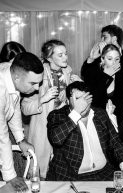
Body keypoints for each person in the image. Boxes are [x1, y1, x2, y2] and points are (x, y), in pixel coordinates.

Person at [0, 52, 43, 192]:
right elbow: (0, 137)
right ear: (17, 77)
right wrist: (10, 177)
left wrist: (20, 139)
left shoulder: (11, 71)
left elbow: (14, 108)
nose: (37, 88)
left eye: (39, 82)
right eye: (33, 83)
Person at [46, 81, 123, 182]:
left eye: (86, 98)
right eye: (77, 99)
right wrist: (76, 112)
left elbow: (115, 142)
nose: (83, 103)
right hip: (71, 177)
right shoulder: (57, 116)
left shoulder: (100, 114)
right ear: (68, 100)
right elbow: (56, 139)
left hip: (103, 174)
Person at [21, 39, 81, 179]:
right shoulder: (37, 75)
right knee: (39, 175)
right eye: (60, 55)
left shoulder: (69, 73)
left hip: (64, 131)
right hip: (42, 133)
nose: (65, 57)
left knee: (62, 174)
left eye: (66, 54)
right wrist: (43, 99)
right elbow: (24, 108)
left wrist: (71, 91)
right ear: (49, 58)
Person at [81, 24, 123, 100]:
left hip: (119, 103)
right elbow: (85, 76)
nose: (101, 41)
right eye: (101, 38)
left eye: (104, 37)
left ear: (114, 39)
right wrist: (91, 58)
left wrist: (104, 56)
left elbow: (121, 78)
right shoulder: (99, 55)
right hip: (99, 102)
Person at [82, 44, 123, 111]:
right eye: (110, 59)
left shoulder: (120, 75)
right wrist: (106, 76)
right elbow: (94, 100)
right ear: (102, 59)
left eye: (117, 59)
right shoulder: (95, 74)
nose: (114, 62)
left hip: (116, 116)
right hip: (98, 115)